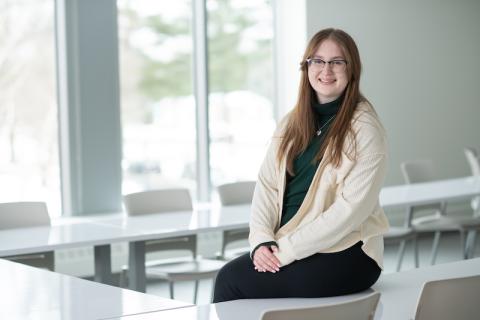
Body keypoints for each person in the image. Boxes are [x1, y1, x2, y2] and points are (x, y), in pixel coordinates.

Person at [213, 28, 389, 303]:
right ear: (306, 67)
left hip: (348, 252)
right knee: (235, 278)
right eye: (317, 61)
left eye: (337, 62)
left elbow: (349, 212)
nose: (326, 70)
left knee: (231, 281)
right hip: (290, 243)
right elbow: (267, 186)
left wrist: (283, 252)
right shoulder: (292, 122)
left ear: (352, 69)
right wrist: (261, 241)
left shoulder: (365, 129)